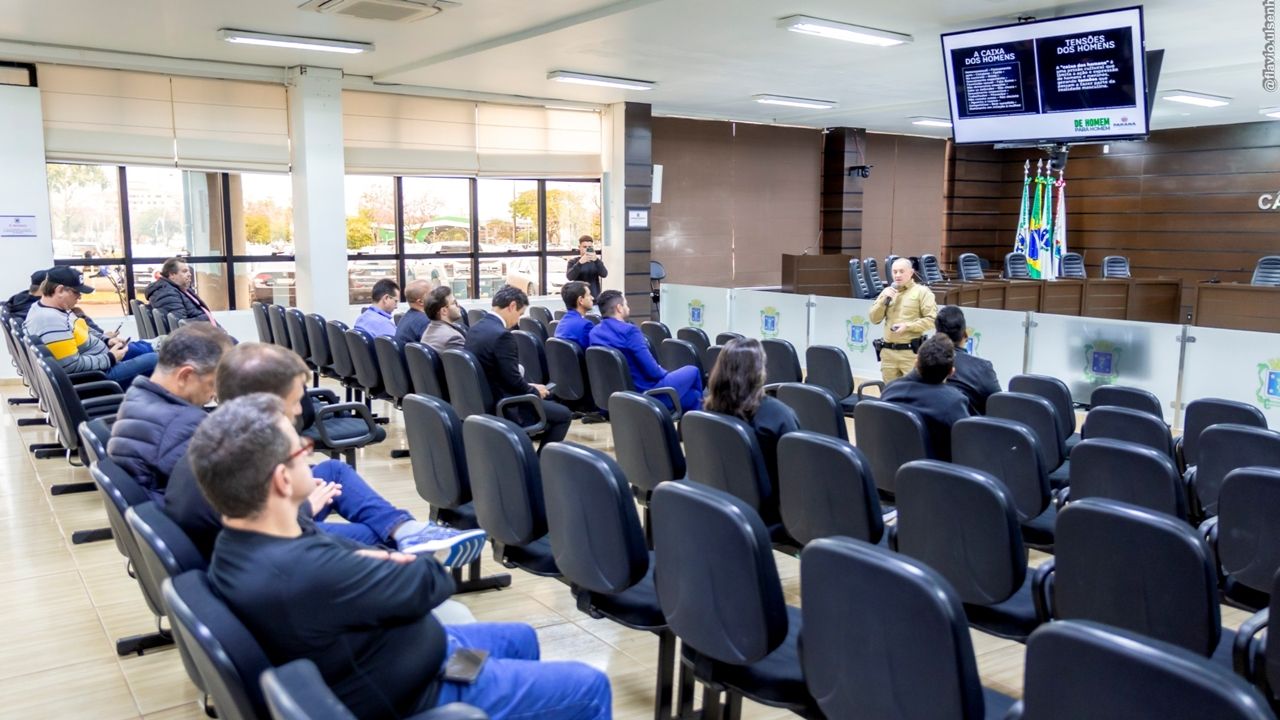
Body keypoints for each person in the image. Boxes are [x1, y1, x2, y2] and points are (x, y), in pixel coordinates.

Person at [196, 394, 611, 720]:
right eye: (301, 450)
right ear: (282, 480)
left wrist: (384, 564)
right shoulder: (306, 571)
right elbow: (432, 579)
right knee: (589, 685)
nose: (310, 453)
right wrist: (397, 561)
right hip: (421, 690)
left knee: (521, 638)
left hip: (417, 656)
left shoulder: (241, 541)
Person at [163, 342, 485, 566]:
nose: (296, 412)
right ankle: (404, 549)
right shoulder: (240, 450)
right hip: (264, 542)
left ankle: (406, 530)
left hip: (265, 524)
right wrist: (304, 508)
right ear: (267, 401)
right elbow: (254, 524)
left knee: (334, 471)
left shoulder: (223, 430)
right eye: (294, 402)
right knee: (373, 534)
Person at [106, 323, 233, 501]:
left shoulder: (136, 397)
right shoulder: (184, 426)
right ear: (185, 376)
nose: (213, 394)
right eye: (212, 384)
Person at [466, 285, 572, 450]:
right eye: (520, 314)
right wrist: (534, 391)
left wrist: (530, 386)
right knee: (563, 414)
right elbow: (513, 381)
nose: (517, 321)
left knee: (548, 399)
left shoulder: (475, 328)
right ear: (512, 306)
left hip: (483, 397)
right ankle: (540, 461)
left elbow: (500, 374)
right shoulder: (502, 336)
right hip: (505, 403)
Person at [702, 337, 798, 510]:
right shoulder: (778, 415)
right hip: (769, 510)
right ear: (758, 371)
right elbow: (799, 473)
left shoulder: (708, 411)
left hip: (718, 500)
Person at [24, 266, 158, 389]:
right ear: (59, 290)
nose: (80, 297)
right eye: (76, 292)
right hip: (98, 377)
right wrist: (110, 358)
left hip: (100, 363)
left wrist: (106, 340)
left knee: (150, 352)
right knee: (157, 361)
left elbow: (84, 331)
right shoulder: (50, 321)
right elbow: (71, 366)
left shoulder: (53, 309)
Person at [589, 290, 702, 414]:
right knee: (693, 370)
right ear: (619, 308)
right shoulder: (629, 331)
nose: (628, 307)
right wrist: (665, 373)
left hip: (617, 394)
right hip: (645, 393)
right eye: (626, 304)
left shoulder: (594, 332)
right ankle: (698, 417)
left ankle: (692, 413)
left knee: (694, 396)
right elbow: (653, 372)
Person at [879, 334, 971, 461]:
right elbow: (966, 446)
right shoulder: (953, 403)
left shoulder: (890, 390)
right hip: (932, 471)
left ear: (916, 362)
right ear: (951, 372)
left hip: (889, 465)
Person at [869, 257, 938, 382]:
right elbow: (874, 319)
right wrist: (883, 301)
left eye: (901, 271)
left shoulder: (922, 292)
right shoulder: (887, 292)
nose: (897, 275)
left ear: (911, 272)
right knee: (890, 391)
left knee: (912, 390)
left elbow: (932, 320)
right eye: (894, 272)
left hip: (910, 354)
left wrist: (908, 326)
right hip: (888, 354)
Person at [934, 305, 1001, 415]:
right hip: (968, 425)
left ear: (936, 335)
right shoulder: (982, 368)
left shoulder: (924, 364)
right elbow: (999, 406)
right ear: (965, 335)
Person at [144, 257, 218, 325]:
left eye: (189, 271)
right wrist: (205, 318)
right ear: (172, 274)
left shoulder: (181, 290)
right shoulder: (167, 293)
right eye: (184, 271)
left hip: (206, 331)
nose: (189, 274)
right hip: (200, 333)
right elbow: (178, 324)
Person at [421, 285, 467, 353]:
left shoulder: (427, 331)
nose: (458, 305)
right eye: (454, 303)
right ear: (444, 311)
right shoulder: (453, 338)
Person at [554, 281, 593, 351]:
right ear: (581, 300)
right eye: (589, 295)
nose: (592, 298)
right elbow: (592, 353)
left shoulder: (561, 323)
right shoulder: (586, 325)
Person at [395, 279, 434, 346]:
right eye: (432, 294)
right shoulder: (426, 322)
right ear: (420, 301)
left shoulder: (405, 317)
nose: (436, 297)